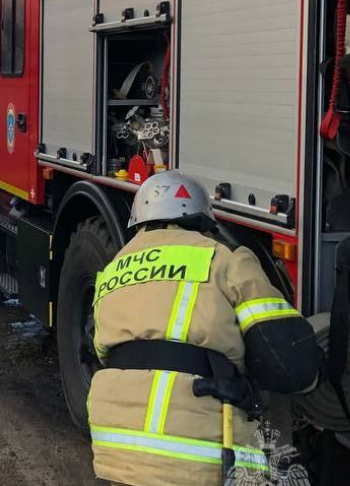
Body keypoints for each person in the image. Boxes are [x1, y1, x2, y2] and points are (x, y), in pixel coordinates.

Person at [88, 170, 321, 486]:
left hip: (115, 451)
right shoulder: (226, 259)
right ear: (204, 221)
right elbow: (288, 365)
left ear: (139, 222)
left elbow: (104, 352)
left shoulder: (112, 272)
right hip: (199, 462)